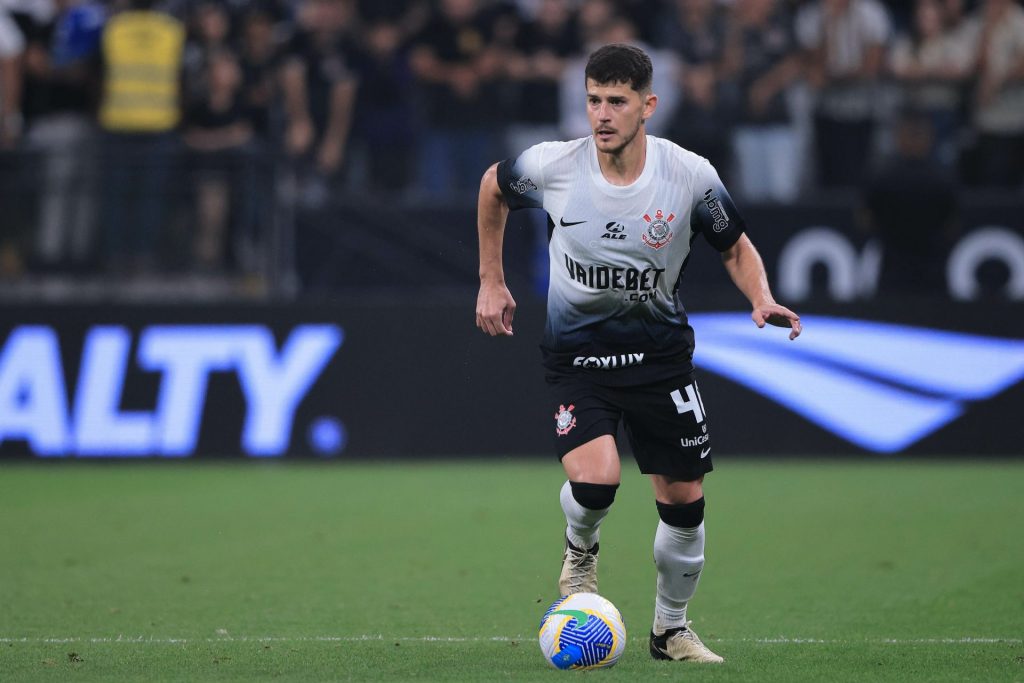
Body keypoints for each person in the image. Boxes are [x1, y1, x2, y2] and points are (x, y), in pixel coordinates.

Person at [475, 43, 801, 664]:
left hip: (660, 361)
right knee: (597, 480)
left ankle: (669, 630)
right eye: (593, 100)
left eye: (616, 102)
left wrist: (760, 297)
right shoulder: (552, 165)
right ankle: (580, 550)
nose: (601, 114)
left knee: (684, 501)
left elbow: (734, 245)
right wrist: (492, 278)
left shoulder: (689, 175)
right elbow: (493, 186)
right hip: (578, 357)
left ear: (647, 106)